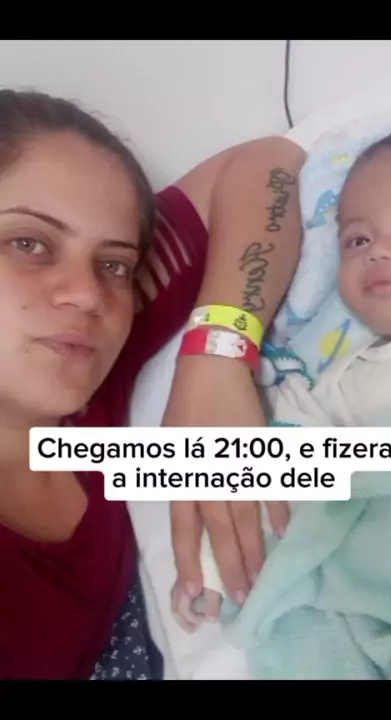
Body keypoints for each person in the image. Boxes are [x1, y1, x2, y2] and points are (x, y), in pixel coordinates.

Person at [0, 88, 306, 679]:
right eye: (28, 244)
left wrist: (218, 353)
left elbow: (267, 162)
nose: (88, 295)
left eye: (113, 263)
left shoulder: (88, 371)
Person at [173, 126, 391, 629]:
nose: (377, 251)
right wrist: (210, 570)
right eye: (357, 239)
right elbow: (270, 478)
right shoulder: (339, 385)